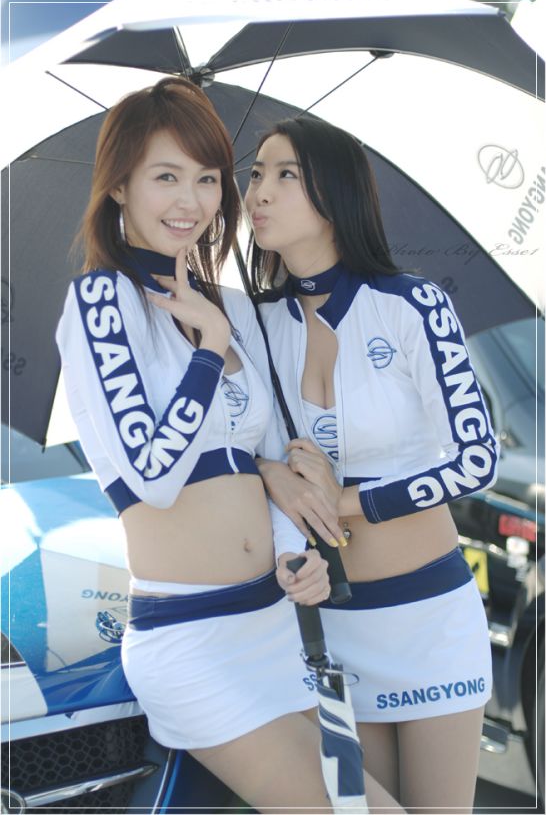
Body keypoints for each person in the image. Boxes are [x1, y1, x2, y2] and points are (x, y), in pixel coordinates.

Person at [56, 78, 404, 813]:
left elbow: (264, 460)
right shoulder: (101, 303)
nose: (191, 200)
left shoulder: (236, 308)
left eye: (208, 178)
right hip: (193, 644)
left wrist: (296, 553)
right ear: (118, 186)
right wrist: (208, 350)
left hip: (276, 630)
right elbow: (153, 474)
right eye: (166, 177)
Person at [245, 115, 497, 813]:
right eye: (255, 174)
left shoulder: (413, 305)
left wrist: (349, 502)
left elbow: (476, 459)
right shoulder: (254, 324)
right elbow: (241, 452)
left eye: (285, 174)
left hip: (431, 620)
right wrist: (272, 474)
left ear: (336, 193)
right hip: (336, 625)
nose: (259, 192)